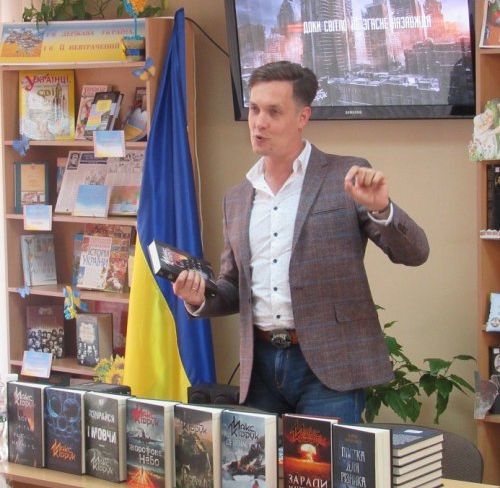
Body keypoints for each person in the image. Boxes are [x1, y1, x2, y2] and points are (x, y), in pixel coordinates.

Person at [173, 60, 429, 423]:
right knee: (258, 462)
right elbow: (234, 285)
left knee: (325, 463)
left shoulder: (345, 176)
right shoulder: (237, 197)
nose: (259, 122)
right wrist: (199, 298)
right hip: (259, 368)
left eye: (274, 112)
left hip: (329, 368)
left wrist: (381, 209)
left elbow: (415, 253)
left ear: (302, 117)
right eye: (254, 109)